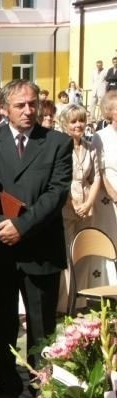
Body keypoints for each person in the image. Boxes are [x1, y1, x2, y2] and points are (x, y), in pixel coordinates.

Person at [0, 79, 72, 398]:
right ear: (4, 107)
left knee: (42, 323)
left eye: (33, 104)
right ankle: (6, 386)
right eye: (21, 105)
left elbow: (57, 193)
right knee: (1, 323)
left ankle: (43, 386)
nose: (29, 110)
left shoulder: (56, 142)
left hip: (40, 247)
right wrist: (2, 224)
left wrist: (22, 226)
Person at [57, 104, 101, 313]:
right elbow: (59, 180)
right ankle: (64, 305)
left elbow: (96, 177)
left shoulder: (90, 146)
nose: (78, 125)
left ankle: (81, 300)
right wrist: (72, 204)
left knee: (83, 252)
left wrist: (89, 203)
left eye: (81, 120)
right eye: (74, 121)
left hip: (86, 206)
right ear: (65, 123)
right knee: (67, 254)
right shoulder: (59, 146)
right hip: (67, 206)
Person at [91, 90, 117, 287]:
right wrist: (114, 194)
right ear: (109, 112)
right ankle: (107, 287)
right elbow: (98, 169)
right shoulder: (100, 137)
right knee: (109, 240)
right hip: (108, 197)